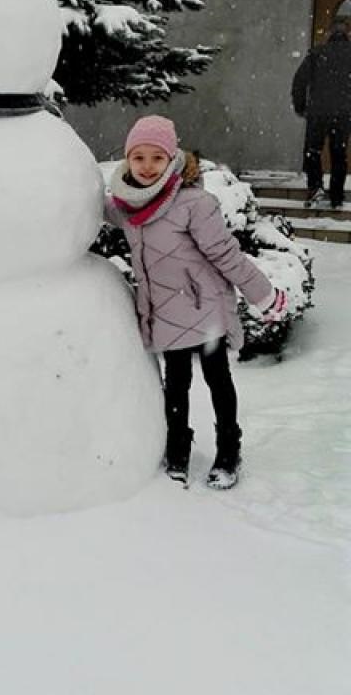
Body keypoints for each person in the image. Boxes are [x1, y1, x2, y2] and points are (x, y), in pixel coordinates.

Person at [104, 115, 287, 489]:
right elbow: (89, 205)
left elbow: (225, 254)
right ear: (127, 160)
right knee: (176, 384)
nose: (147, 166)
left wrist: (263, 294)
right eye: (138, 157)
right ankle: (178, 448)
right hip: (165, 311)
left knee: (217, 379)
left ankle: (228, 449)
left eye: (157, 157)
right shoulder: (127, 205)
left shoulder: (193, 203)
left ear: (172, 160)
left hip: (204, 308)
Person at [291, 18, 351, 209]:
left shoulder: (317, 53)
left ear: (330, 34)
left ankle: (315, 187)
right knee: (339, 153)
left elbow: (299, 81)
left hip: (318, 112)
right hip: (343, 113)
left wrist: (300, 106)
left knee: (313, 151)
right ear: (347, 34)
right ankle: (336, 195)